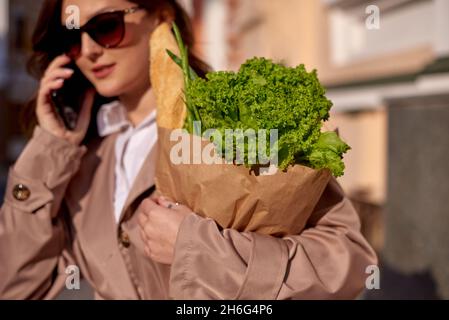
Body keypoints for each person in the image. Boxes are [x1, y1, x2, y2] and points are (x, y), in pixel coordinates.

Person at [0, 0, 377, 300]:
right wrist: (49, 150)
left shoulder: (239, 118)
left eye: (106, 27)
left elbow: (345, 263)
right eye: (71, 37)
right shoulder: (84, 162)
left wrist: (197, 249)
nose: (88, 50)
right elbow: (17, 289)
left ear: (160, 16)